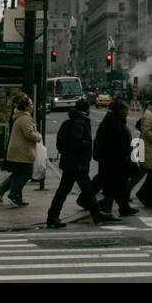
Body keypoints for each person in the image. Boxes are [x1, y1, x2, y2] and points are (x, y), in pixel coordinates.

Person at [45, 98, 107, 229]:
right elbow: (77, 143)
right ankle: (53, 216)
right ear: (86, 110)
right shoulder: (79, 123)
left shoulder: (74, 121)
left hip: (72, 163)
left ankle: (96, 214)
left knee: (83, 190)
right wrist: (87, 143)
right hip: (76, 164)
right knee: (75, 190)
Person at [0, 93, 40, 209]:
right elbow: (29, 134)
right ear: (25, 107)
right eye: (30, 104)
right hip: (22, 151)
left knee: (18, 173)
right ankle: (13, 194)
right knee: (26, 173)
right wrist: (38, 136)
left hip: (18, 150)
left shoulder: (20, 117)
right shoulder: (25, 118)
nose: (32, 106)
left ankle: (11, 194)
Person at [94, 98, 137, 218]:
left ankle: (121, 208)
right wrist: (126, 155)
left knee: (116, 186)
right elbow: (116, 143)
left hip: (114, 160)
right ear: (120, 111)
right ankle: (106, 208)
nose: (128, 112)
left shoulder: (113, 120)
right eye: (126, 110)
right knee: (114, 186)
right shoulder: (114, 123)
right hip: (114, 160)